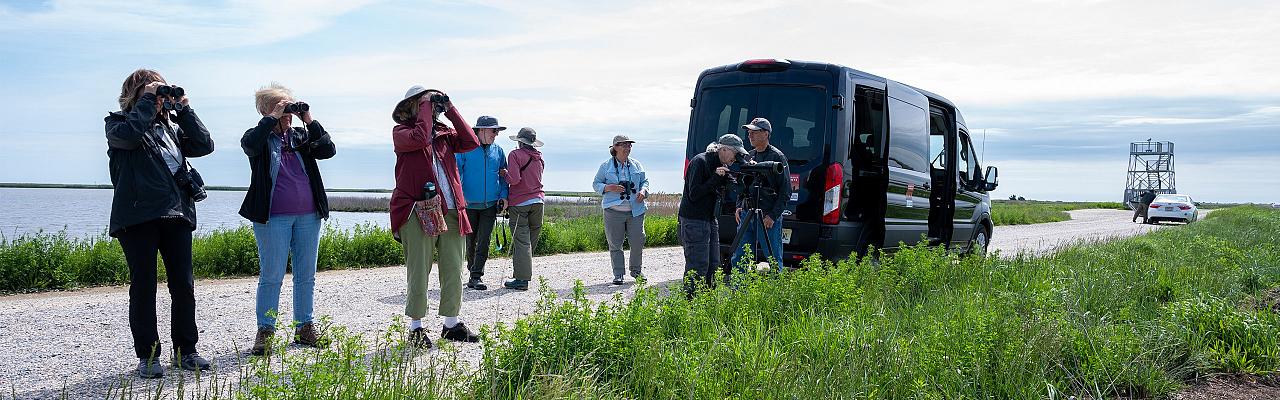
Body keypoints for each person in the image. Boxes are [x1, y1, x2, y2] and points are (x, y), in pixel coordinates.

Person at [105, 69, 215, 378]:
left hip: (177, 213)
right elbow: (127, 138)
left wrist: (184, 108)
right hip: (137, 216)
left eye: (160, 93)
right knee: (144, 287)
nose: (158, 99)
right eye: (151, 93)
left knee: (184, 285)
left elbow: (205, 144)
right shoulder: (118, 124)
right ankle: (149, 356)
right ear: (136, 96)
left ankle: (187, 351)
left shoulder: (172, 129)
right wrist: (149, 99)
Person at [239, 83, 336, 356]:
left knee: (306, 275)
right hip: (272, 217)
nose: (287, 113)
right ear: (264, 110)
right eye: (281, 107)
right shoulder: (257, 137)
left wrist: (309, 119)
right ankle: (266, 330)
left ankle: (304, 326)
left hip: (308, 215)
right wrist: (271, 119)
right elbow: (250, 146)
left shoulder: (301, 137)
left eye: (288, 107)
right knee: (271, 276)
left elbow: (328, 150)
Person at [390, 85, 481, 348]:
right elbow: (419, 138)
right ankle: (416, 327)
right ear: (411, 106)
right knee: (419, 269)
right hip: (416, 210)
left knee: (454, 267)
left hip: (451, 209)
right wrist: (427, 106)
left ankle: (451, 324)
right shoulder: (402, 132)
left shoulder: (444, 133)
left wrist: (450, 109)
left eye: (431, 102)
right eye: (424, 101)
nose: (430, 105)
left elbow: (471, 141)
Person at [679, 134, 748, 297]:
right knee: (698, 264)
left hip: (710, 219)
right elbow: (694, 194)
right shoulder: (700, 162)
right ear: (723, 149)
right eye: (735, 153)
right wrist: (716, 178)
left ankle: (707, 301)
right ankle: (690, 302)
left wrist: (744, 172)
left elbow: (734, 188)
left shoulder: (721, 164)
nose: (736, 157)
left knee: (713, 264)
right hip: (693, 219)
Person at [455, 116, 509, 291]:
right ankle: (473, 270)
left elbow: (503, 178)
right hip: (469, 204)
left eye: (497, 131)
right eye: (494, 131)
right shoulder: (465, 149)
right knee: (471, 242)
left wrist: (504, 196)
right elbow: (456, 174)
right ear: (481, 130)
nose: (496, 134)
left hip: (490, 205)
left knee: (484, 241)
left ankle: (476, 276)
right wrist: (459, 197)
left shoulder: (499, 151)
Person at [731, 118, 791, 272]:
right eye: (749, 132)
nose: (750, 136)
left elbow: (785, 191)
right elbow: (742, 184)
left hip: (767, 217)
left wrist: (773, 215)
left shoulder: (777, 157)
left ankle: (775, 291)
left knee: (773, 257)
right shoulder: (748, 156)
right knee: (740, 256)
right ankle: (738, 291)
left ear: (766, 134)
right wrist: (739, 206)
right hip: (746, 214)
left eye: (754, 132)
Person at [592, 135, 650, 285]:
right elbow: (596, 184)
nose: (627, 148)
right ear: (615, 147)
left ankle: (636, 271)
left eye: (629, 145)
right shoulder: (606, 166)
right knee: (615, 244)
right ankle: (618, 274)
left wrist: (644, 191)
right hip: (613, 211)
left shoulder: (637, 165)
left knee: (638, 241)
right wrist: (608, 187)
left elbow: (645, 181)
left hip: (635, 210)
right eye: (624, 145)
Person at [502, 127, 546, 291]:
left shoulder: (515, 155)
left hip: (520, 203)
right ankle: (520, 273)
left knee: (521, 243)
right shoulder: (539, 158)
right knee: (528, 243)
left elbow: (514, 180)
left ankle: (521, 279)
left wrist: (504, 174)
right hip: (539, 202)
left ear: (520, 141)